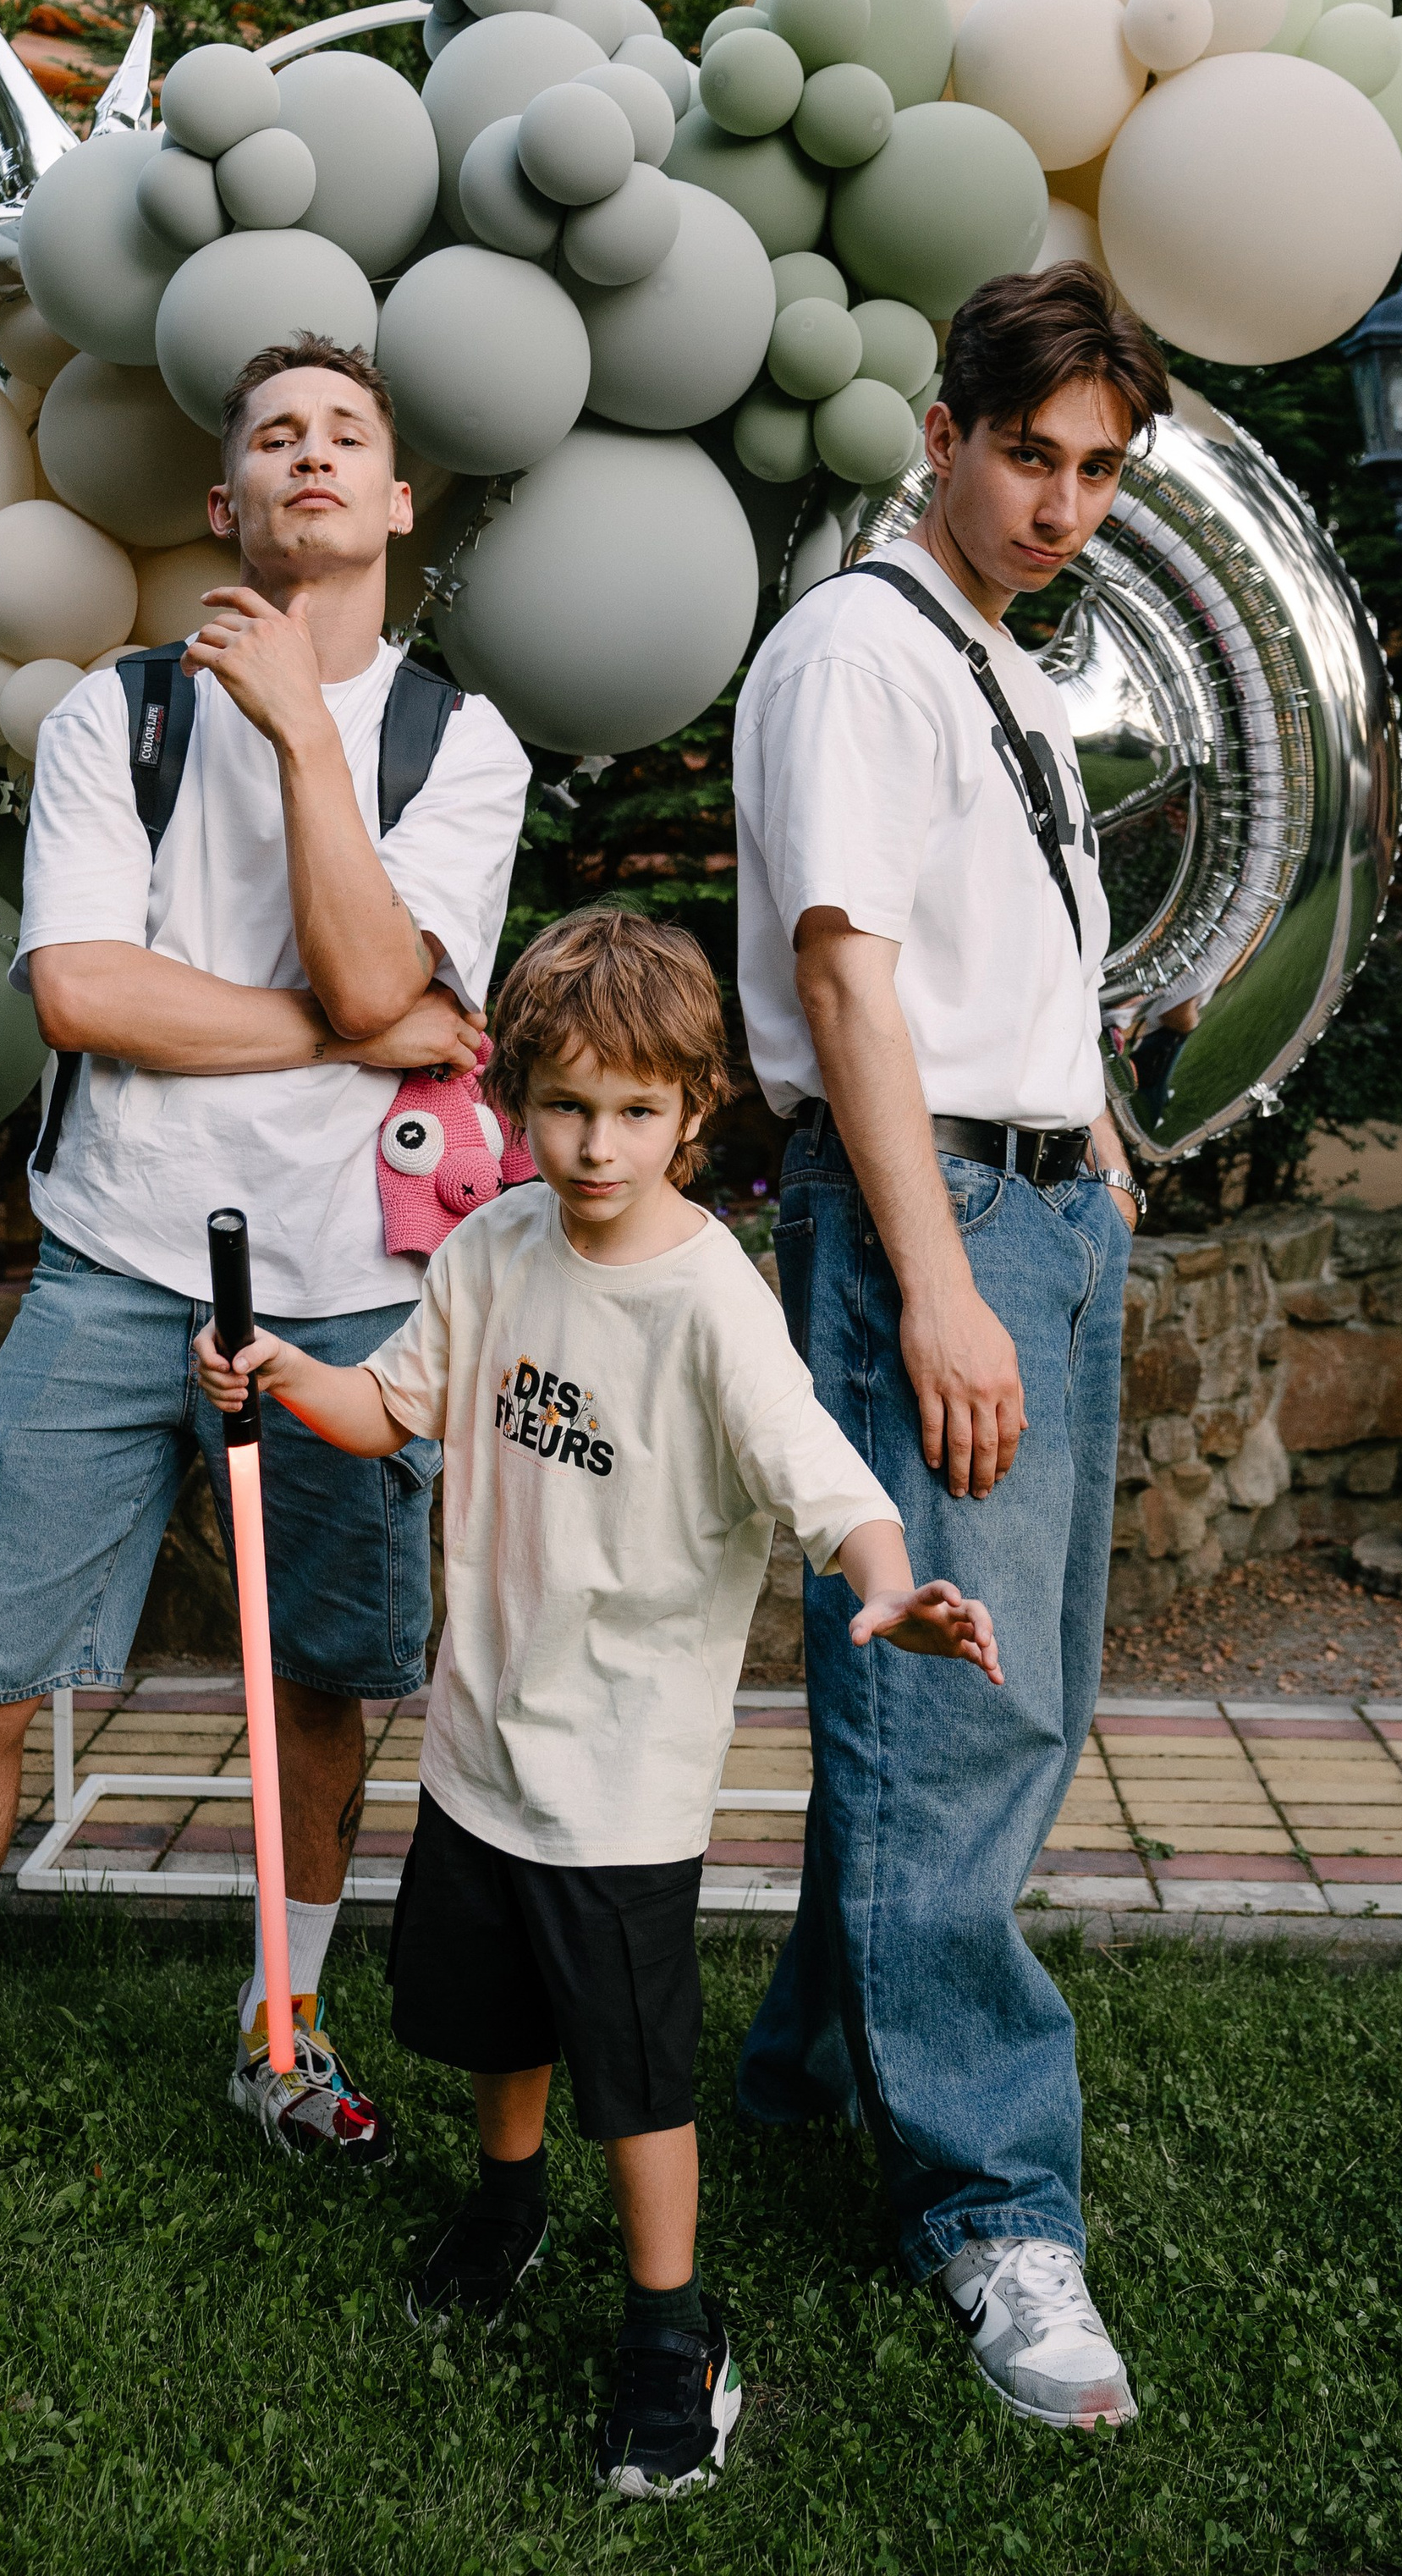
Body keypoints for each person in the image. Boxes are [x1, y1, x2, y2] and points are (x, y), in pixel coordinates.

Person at [0, 332, 531, 2210]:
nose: (313, 455)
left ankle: (284, 2027)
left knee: (324, 1685)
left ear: (398, 500)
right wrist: (353, 1025)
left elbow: (385, 979)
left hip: (352, 1287)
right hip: (117, 1259)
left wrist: (302, 731)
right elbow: (82, 993)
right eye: (275, 436)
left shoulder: (458, 746)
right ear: (225, 502)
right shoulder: (112, 717)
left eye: (348, 434)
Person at [196, 904, 1002, 2497]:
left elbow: (826, 1482)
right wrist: (282, 1370)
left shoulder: (712, 1303)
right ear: (514, 1098)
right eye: (565, 1106)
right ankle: (506, 2207)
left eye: (637, 1111)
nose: (596, 1145)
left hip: (621, 1783)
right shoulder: (494, 1247)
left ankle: (671, 2335)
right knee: (496, 2024)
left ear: (696, 1110)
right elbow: (389, 1407)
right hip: (480, 1745)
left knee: (634, 2081)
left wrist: (889, 1581)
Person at [730, 258, 1170, 2430]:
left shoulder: (985, 652)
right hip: (936, 1225)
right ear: (940, 435)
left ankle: (801, 2074)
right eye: (1025, 455)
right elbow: (843, 977)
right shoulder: (856, 651)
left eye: (1095, 469)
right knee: (952, 1719)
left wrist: (1086, 1137)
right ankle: (994, 2210)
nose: (1058, 502)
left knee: (1008, 1700)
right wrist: (934, 1278)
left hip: (1030, 1202)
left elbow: (993, 961)